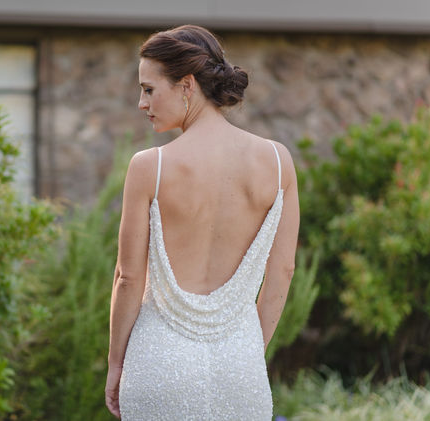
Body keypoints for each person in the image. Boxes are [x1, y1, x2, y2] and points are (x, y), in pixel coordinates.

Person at [105, 25, 299, 420]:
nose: (142, 103)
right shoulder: (278, 162)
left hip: (158, 364)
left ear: (186, 86)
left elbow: (128, 278)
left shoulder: (150, 167)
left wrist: (115, 365)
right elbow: (283, 270)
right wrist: (248, 351)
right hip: (240, 368)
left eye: (149, 89)